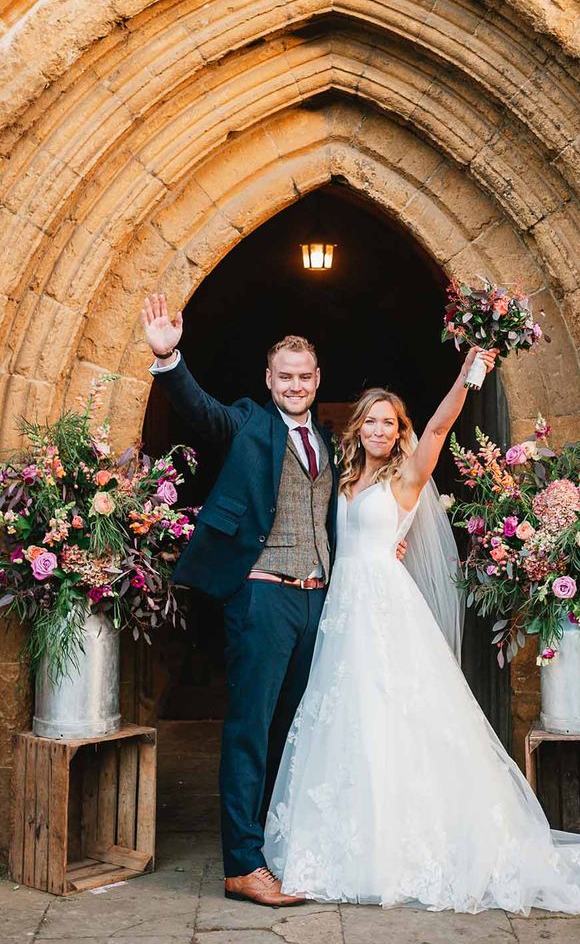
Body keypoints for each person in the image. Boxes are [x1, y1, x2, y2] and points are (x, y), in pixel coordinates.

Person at [264, 350, 580, 915]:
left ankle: (413, 850)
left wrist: (467, 373)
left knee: (398, 717)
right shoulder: (343, 477)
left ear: (400, 432)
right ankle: (358, 845)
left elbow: (443, 424)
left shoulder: (408, 477)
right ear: (357, 428)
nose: (378, 429)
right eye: (369, 420)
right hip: (342, 612)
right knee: (347, 720)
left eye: (388, 422)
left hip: (386, 611)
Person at [142, 294, 340, 907]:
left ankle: (276, 847)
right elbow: (200, 410)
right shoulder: (249, 422)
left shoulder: (330, 442)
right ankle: (242, 865)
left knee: (296, 729)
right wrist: (169, 358)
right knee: (250, 730)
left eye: (305, 377)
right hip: (261, 596)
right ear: (268, 379)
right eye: (285, 376)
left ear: (316, 380)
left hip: (317, 600)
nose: (295, 386)